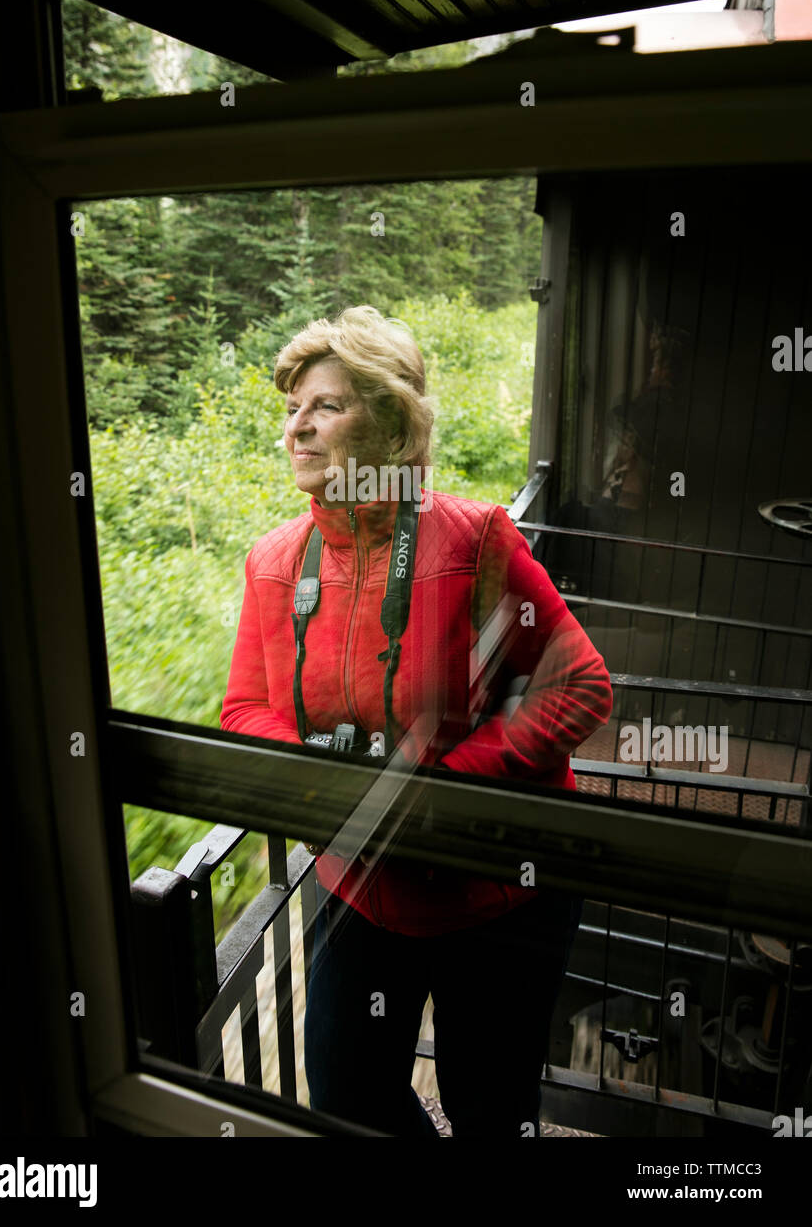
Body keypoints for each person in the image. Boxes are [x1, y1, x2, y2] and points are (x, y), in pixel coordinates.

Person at [220, 305, 613, 1137]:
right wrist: (331, 788)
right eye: (290, 409)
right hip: (357, 884)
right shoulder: (273, 561)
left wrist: (433, 790)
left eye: (324, 405)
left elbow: (577, 688)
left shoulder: (474, 541)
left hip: (501, 893)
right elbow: (246, 708)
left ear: (391, 416)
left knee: (490, 1109)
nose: (297, 428)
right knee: (346, 1097)